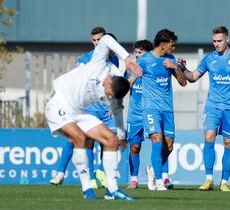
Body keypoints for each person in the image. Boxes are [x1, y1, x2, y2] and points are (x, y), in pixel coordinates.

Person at [45, 33, 141, 200]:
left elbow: (118, 114)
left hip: (78, 111)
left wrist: (121, 136)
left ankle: (112, 189)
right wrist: (127, 58)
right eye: (107, 90)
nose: (106, 94)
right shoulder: (99, 63)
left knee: (110, 139)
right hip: (58, 103)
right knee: (80, 138)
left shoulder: (114, 89)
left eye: (109, 94)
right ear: (110, 80)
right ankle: (87, 188)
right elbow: (105, 40)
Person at [49, 27, 123, 189]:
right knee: (80, 139)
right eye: (94, 40)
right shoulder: (86, 59)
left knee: (110, 140)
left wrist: (114, 103)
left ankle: (102, 173)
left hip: (105, 108)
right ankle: (62, 172)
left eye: (100, 40)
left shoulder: (114, 59)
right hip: (89, 106)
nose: (97, 43)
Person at [178, 26, 230, 192]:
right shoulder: (210, 59)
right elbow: (193, 77)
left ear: (227, 39)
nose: (217, 44)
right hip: (213, 106)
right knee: (209, 137)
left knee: (229, 143)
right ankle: (208, 179)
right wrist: (183, 69)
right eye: (214, 41)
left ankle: (224, 181)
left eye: (220, 41)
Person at [135, 29, 187, 191]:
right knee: (157, 140)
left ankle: (152, 169)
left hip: (167, 109)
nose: (174, 48)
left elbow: (183, 83)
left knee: (169, 146)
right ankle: (159, 180)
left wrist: (176, 68)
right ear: (163, 45)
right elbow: (130, 78)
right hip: (150, 107)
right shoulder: (144, 60)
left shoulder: (170, 59)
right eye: (172, 45)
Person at [125, 39, 153, 189]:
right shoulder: (130, 70)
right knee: (134, 147)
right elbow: (123, 87)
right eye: (135, 53)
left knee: (159, 144)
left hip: (152, 112)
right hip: (134, 115)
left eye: (140, 53)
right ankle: (134, 179)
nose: (137, 56)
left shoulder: (153, 68)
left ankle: (161, 176)